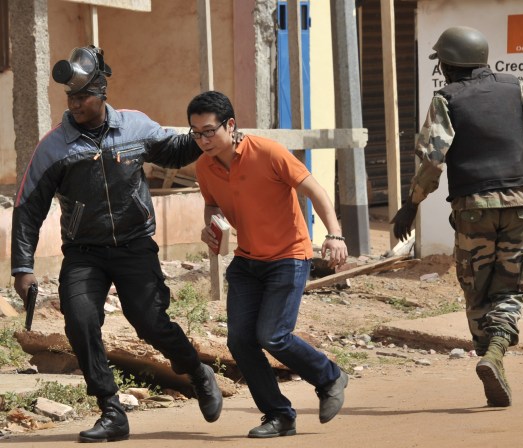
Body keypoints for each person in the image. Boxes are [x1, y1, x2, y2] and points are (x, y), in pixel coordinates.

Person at [11, 46, 223, 443]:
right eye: (70, 98)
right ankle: (111, 410)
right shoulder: (54, 146)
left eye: (82, 97)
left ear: (101, 92)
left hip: (134, 245)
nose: (74, 104)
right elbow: (28, 207)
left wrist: (208, 135)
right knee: (80, 320)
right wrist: (22, 267)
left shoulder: (136, 127)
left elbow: (175, 152)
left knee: (150, 322)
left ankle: (196, 371)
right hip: (84, 252)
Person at [391, 26, 523, 407]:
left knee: (477, 289)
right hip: (519, 203)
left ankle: (490, 354)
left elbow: (432, 157)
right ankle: (496, 355)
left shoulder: (446, 99)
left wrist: (412, 203)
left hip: (473, 207)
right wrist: (521, 143)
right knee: (511, 288)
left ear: (450, 65)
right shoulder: (514, 87)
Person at [187, 90, 349, 438]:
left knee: (272, 335)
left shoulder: (268, 152)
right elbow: (212, 204)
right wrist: (211, 228)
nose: (203, 140)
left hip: (288, 258)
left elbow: (315, 191)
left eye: (209, 131)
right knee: (240, 341)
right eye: (196, 133)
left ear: (230, 125)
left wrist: (334, 235)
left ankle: (330, 377)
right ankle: (279, 415)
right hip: (247, 263)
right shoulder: (204, 166)